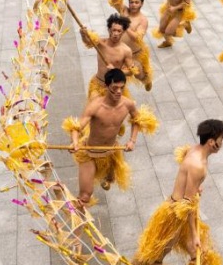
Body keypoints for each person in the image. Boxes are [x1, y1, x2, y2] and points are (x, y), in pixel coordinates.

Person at [130, 119, 223, 265]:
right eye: (222, 138)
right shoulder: (198, 165)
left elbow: (186, 173)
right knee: (153, 256)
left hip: (178, 210)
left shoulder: (195, 150)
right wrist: (195, 234)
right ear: (212, 142)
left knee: (198, 257)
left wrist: (193, 186)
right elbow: (187, 205)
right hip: (176, 217)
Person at [62, 69, 158, 204]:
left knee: (111, 178)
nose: (119, 91)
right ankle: (77, 220)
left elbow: (138, 120)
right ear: (107, 87)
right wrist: (75, 142)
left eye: (121, 88)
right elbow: (76, 127)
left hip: (111, 152)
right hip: (90, 153)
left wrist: (132, 140)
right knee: (85, 196)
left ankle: (107, 177)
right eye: (115, 88)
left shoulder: (127, 104)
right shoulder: (95, 106)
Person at [80, 14, 135, 100]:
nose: (116, 34)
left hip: (114, 87)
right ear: (109, 30)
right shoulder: (100, 43)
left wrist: (116, 71)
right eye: (114, 30)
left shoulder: (126, 50)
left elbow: (131, 71)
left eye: (119, 31)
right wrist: (83, 35)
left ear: (123, 32)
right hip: (98, 84)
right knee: (93, 107)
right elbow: (88, 41)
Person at [109, 0, 153, 91]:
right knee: (116, 76)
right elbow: (114, 1)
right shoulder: (124, 10)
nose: (133, 5)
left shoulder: (143, 20)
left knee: (138, 74)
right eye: (131, 2)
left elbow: (137, 38)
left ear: (141, 3)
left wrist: (126, 25)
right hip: (121, 52)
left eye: (136, 2)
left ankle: (146, 79)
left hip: (135, 54)